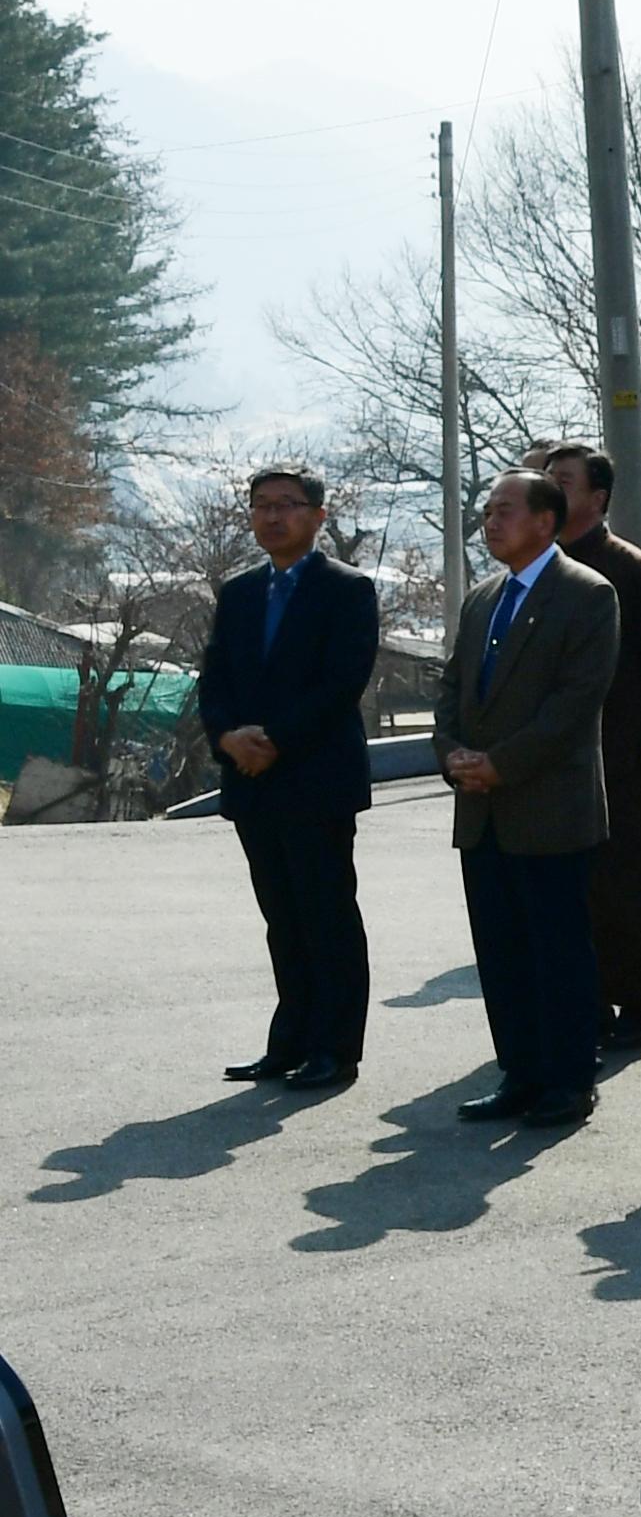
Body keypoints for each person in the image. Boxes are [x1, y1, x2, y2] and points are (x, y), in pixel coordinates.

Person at [436, 470, 622, 1127]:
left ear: (546, 520)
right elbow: (452, 687)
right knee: (501, 950)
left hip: (549, 808)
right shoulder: (482, 598)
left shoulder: (587, 595)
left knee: (558, 950)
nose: (490, 522)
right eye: (486, 512)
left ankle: (570, 1081)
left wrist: (499, 765)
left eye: (504, 511)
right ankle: (519, 1071)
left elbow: (574, 705)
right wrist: (452, 754)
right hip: (481, 810)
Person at [200, 463, 379, 1094]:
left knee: (326, 913)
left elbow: (341, 683)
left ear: (317, 516)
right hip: (251, 779)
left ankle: (336, 1048)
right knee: (281, 916)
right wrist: (226, 737)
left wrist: (275, 740)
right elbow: (214, 677)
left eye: (287, 504)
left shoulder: (346, 589)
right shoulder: (240, 592)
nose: (272, 516)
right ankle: (291, 1040)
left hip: (315, 776)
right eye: (261, 505)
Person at [541, 443, 641, 1056]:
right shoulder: (540, 568)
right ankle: (586, 1003)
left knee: (623, 888)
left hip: (619, 759)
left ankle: (640, 1007)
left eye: (565, 481)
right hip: (551, 763)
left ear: (598, 497)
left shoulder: (627, 569)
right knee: (568, 892)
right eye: (546, 479)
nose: (552, 489)